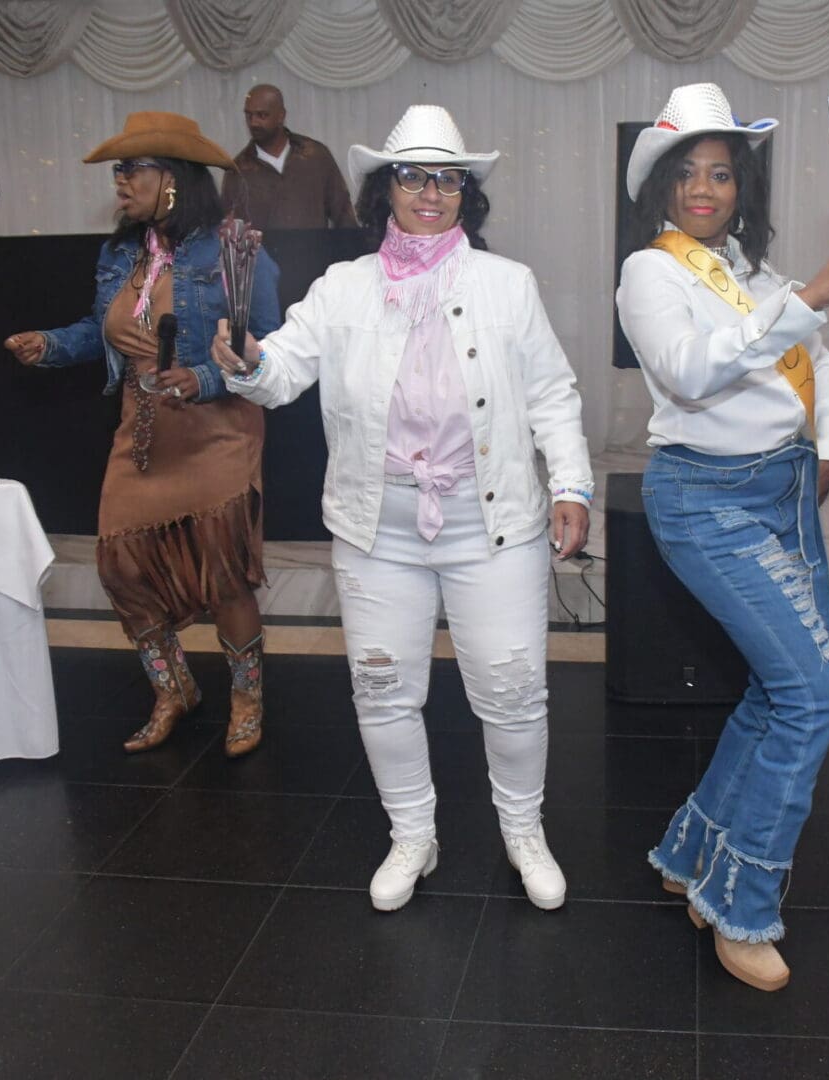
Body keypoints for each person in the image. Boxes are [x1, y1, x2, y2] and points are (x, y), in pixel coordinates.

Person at [212, 105, 593, 914]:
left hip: (491, 524)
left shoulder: (506, 285)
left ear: (465, 192)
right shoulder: (344, 288)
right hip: (377, 528)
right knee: (383, 690)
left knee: (514, 687)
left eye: (446, 178)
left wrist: (570, 484)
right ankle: (412, 834)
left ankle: (523, 831)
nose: (430, 192)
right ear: (385, 188)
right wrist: (246, 360)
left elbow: (552, 393)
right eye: (413, 175)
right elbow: (280, 369)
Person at [616, 83, 829, 993]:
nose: (706, 188)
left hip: (784, 492)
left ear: (741, 188)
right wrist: (812, 292)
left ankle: (691, 852)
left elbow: (823, 362)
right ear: (662, 186)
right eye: (689, 173)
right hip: (704, 499)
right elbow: (693, 374)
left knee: (783, 695)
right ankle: (742, 902)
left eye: (722, 173)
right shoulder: (651, 272)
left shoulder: (747, 272)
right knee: (814, 700)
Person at [3, 112, 281, 759]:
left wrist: (206, 377)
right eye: (119, 172)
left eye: (133, 170)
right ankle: (174, 689)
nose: (121, 182)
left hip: (216, 431)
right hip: (144, 431)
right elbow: (97, 330)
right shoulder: (119, 253)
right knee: (122, 567)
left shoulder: (234, 250)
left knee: (225, 574)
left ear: (174, 179)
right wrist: (50, 345)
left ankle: (247, 698)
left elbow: (273, 346)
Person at [220, 84, 357, 230]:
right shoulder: (237, 171)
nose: (253, 122)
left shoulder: (316, 156)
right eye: (249, 115)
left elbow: (344, 216)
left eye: (262, 115)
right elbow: (229, 232)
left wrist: (350, 249)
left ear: (281, 116)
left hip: (315, 252)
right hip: (262, 253)